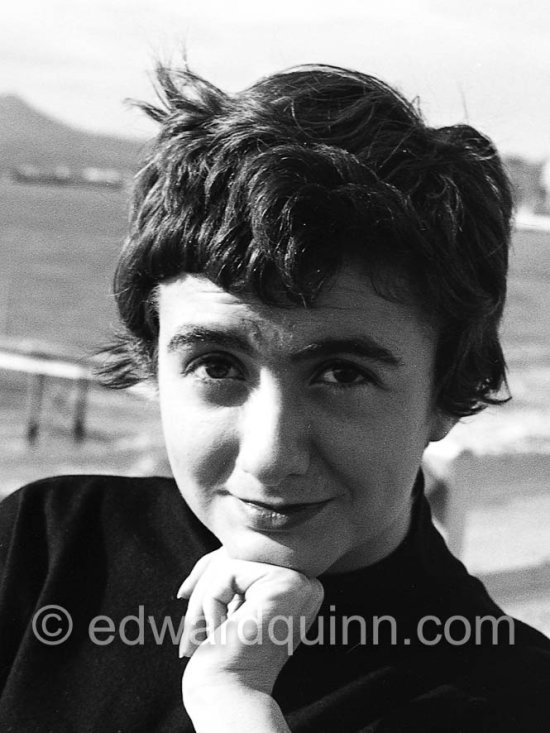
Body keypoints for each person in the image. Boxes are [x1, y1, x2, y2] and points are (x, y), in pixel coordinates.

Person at [1, 62, 549, 732]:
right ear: (154, 364)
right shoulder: (47, 549)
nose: (268, 457)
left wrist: (233, 705)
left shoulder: (512, 698)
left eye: (343, 374)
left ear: (448, 391)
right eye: (216, 364)